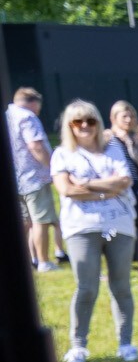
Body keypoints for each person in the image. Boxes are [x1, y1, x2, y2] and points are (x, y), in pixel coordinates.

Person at [48, 100, 138, 362]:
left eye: (90, 121)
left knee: (121, 286)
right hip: (81, 227)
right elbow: (66, 190)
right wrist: (106, 189)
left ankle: (126, 343)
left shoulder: (113, 149)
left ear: (99, 123)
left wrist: (85, 184)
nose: (85, 126)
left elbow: (125, 181)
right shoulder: (62, 154)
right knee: (86, 287)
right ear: (69, 126)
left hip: (120, 224)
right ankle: (78, 346)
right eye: (78, 122)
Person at [8, 86, 57, 271]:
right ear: (33, 103)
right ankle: (44, 262)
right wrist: (53, 168)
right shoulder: (27, 117)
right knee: (40, 221)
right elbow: (35, 146)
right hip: (34, 178)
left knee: (24, 223)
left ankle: (27, 261)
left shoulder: (7, 115)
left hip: (16, 179)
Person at [106, 100, 138, 279]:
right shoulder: (107, 138)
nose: (128, 120)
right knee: (114, 228)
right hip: (115, 189)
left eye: (131, 116)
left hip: (134, 187)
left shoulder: (136, 139)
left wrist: (134, 141)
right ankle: (116, 265)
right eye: (124, 116)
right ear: (114, 118)